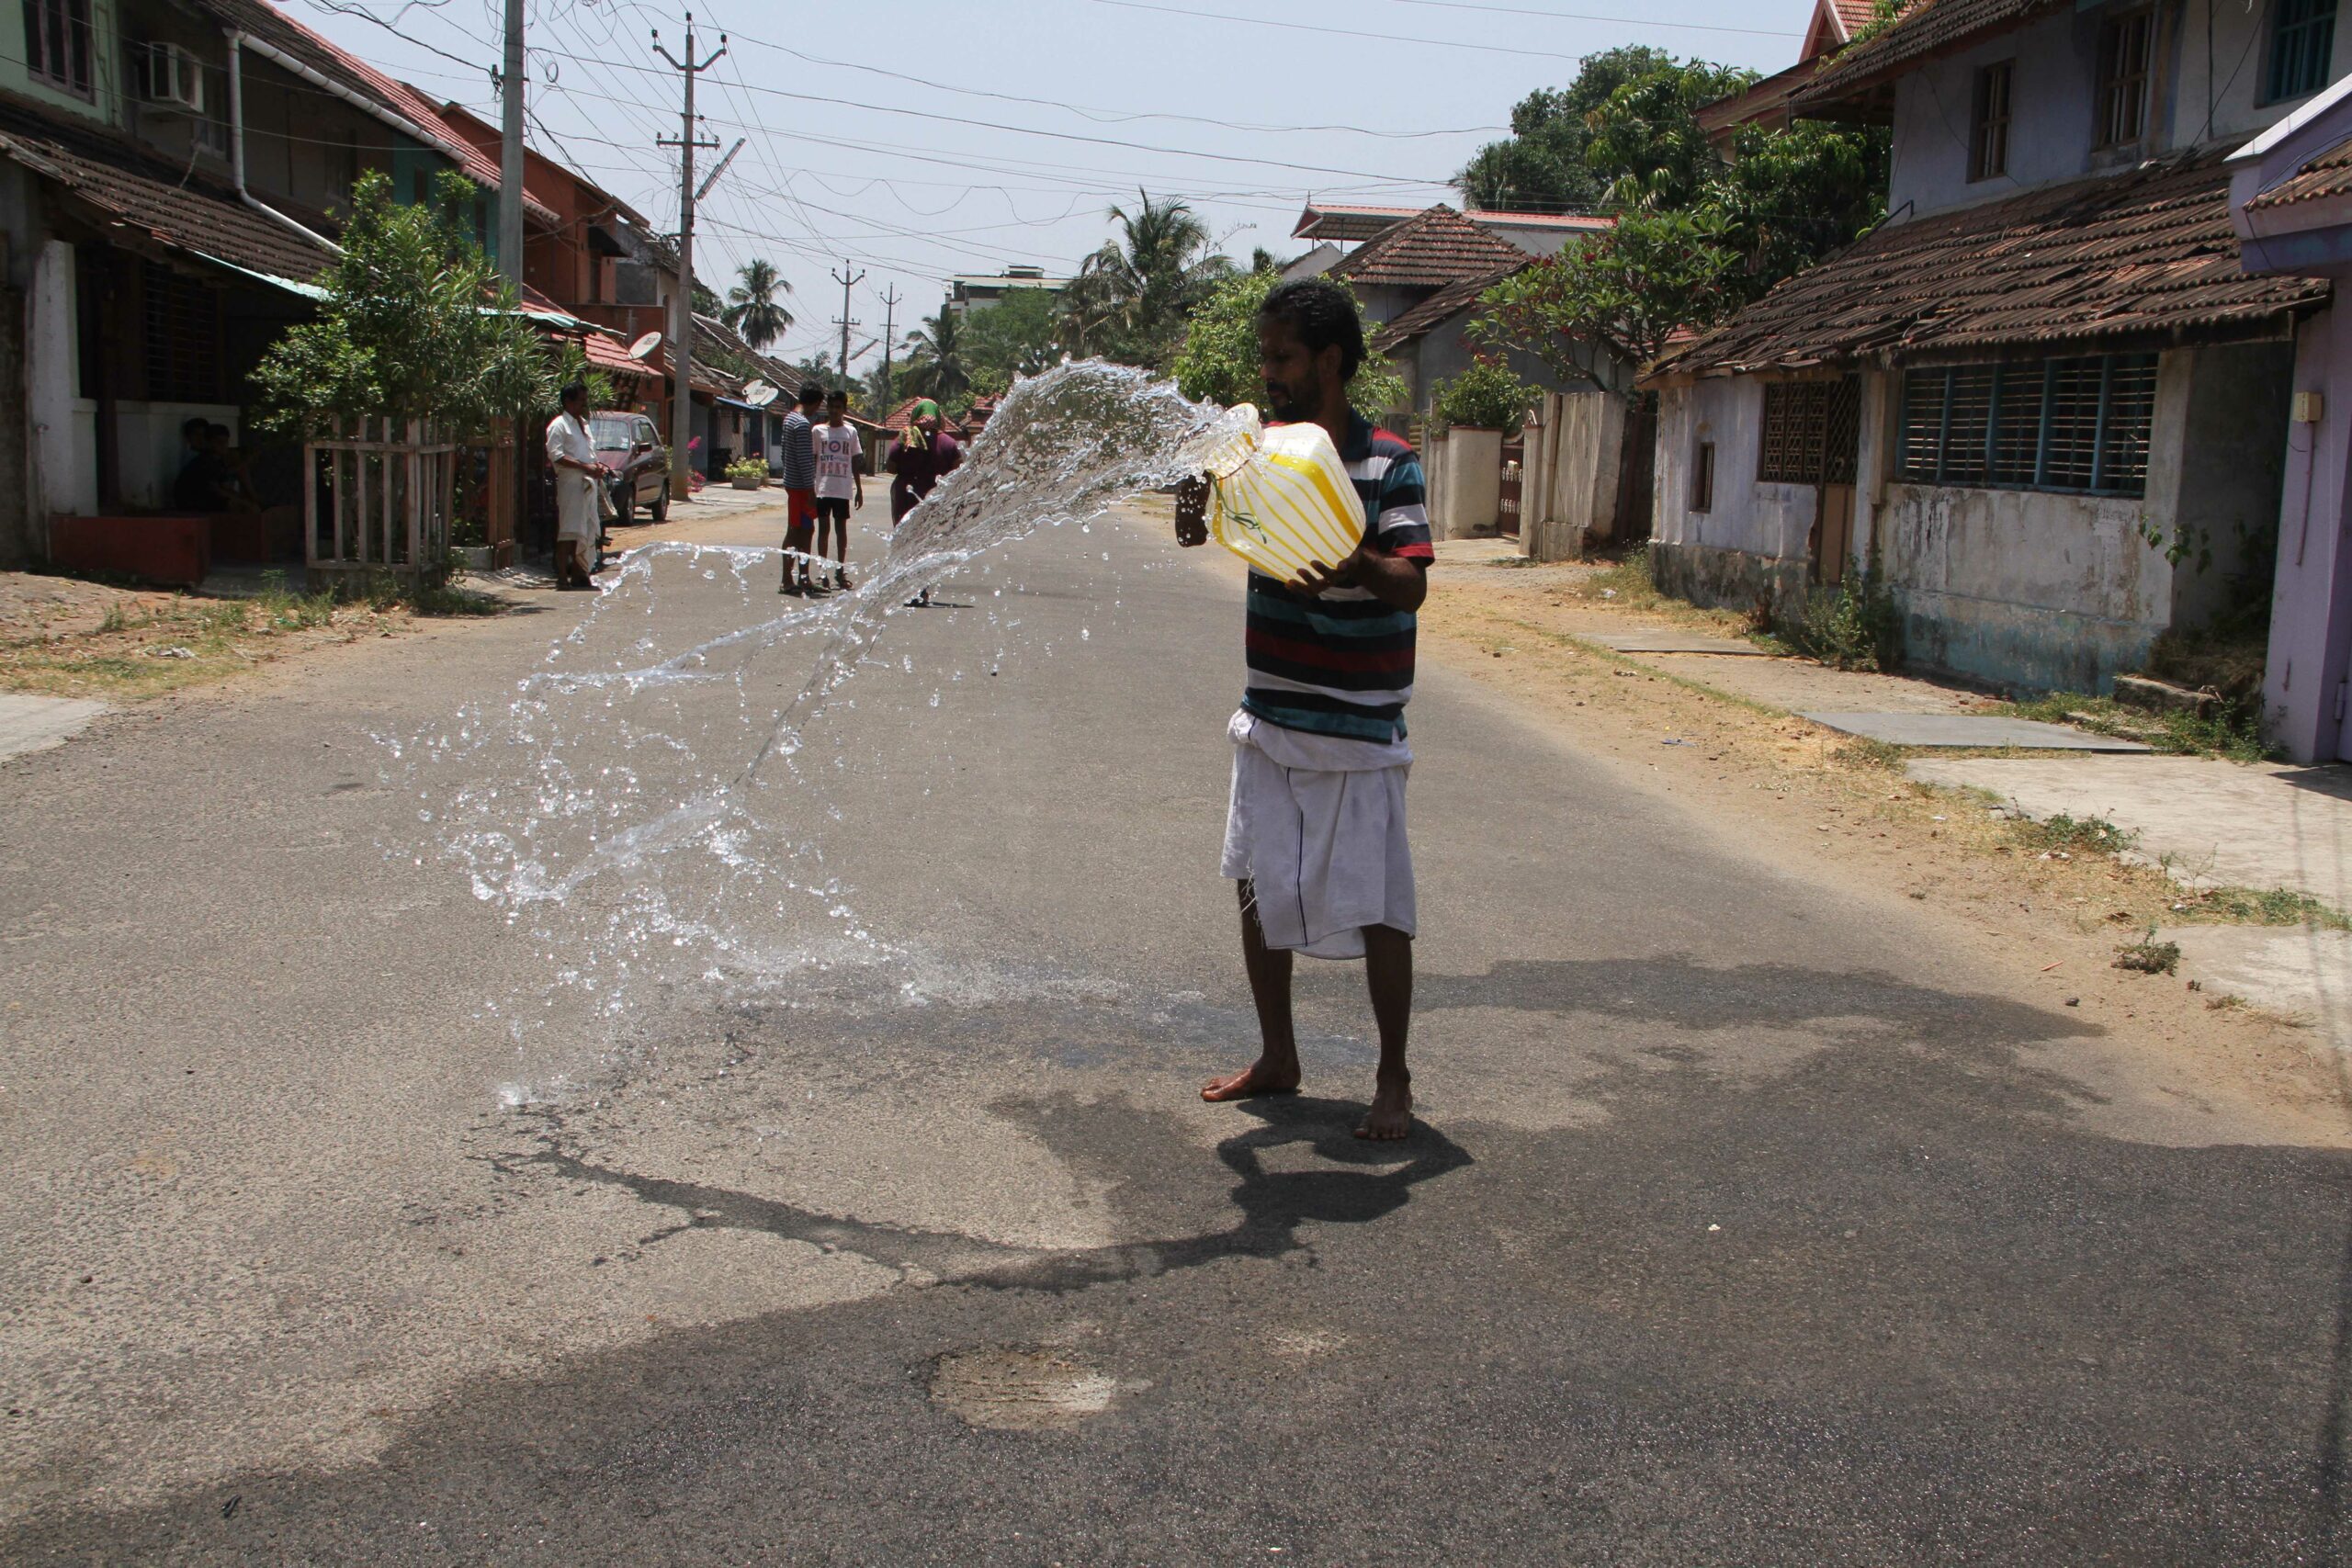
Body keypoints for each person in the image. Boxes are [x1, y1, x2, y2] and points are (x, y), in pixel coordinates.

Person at [1172, 276, 1433, 1141]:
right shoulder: (1256, 452)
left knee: (1378, 903)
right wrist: (1191, 479)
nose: (1268, 372)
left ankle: (1392, 1076)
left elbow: (1412, 586)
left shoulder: (1389, 462)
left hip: (1357, 720)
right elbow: (1192, 529)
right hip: (1274, 707)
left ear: (1329, 359)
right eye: (1265, 356)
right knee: (1257, 882)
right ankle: (1278, 1053)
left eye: (1282, 356)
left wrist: (1356, 562)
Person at [887, 399, 960, 605]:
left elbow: (891, 467)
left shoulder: (905, 436)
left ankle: (903, 588)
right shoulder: (948, 442)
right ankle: (921, 589)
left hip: (904, 497)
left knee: (905, 542)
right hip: (932, 498)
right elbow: (958, 470)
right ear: (938, 416)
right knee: (925, 544)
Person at [544, 380, 605, 591]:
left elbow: (588, 453)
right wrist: (586, 467)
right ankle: (562, 577)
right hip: (571, 484)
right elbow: (557, 456)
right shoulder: (558, 425)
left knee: (587, 528)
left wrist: (596, 467)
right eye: (581, 401)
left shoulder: (584, 425)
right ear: (568, 401)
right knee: (569, 531)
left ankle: (581, 574)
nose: (584, 405)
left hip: (588, 484)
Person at [812, 389, 865, 592]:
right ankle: (823, 571)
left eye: (838, 407)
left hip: (842, 488)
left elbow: (854, 461)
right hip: (823, 488)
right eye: (831, 406)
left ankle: (840, 570)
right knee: (823, 530)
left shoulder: (850, 432)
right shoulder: (818, 431)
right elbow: (814, 458)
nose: (834, 411)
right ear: (827, 407)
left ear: (844, 409)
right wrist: (811, 487)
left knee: (841, 530)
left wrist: (859, 489)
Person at [778, 384, 823, 594]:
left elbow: (785, 454)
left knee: (805, 530)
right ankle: (788, 579)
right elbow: (805, 461)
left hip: (792, 483)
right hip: (801, 488)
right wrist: (810, 492)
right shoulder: (803, 424)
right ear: (815, 403)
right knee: (796, 532)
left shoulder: (789, 419)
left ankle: (803, 577)